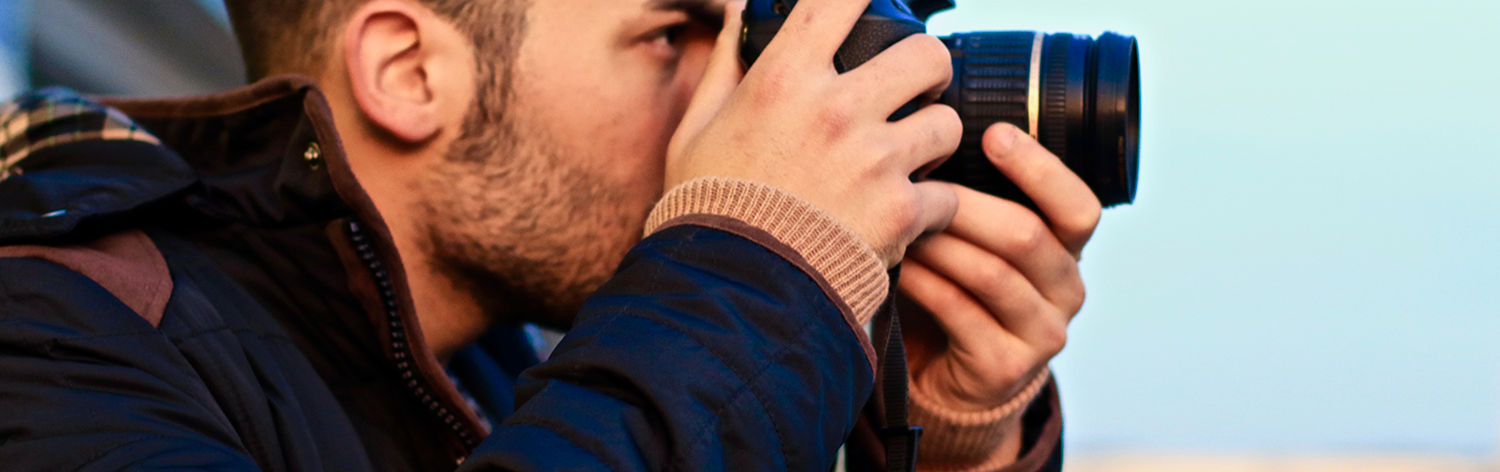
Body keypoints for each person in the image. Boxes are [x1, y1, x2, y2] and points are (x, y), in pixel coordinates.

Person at [0, 0, 1099, 470]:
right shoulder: (48, 346)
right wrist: (759, 265)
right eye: (672, 36)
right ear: (410, 72)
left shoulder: (520, 375)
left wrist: (943, 449)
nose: (743, 104)